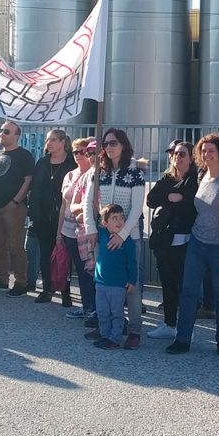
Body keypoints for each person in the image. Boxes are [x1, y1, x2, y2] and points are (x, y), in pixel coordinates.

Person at [167, 133, 219, 356]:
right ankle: (183, 339)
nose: (207, 154)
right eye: (203, 150)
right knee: (189, 291)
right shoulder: (202, 176)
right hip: (198, 241)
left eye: (211, 150)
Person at [81, 128, 147, 349]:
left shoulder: (135, 172)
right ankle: (105, 326)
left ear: (123, 145)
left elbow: (138, 207)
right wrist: (90, 227)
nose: (109, 147)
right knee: (103, 281)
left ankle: (134, 331)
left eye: (114, 143)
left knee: (131, 284)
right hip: (102, 236)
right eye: (106, 143)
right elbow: (87, 200)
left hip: (129, 237)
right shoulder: (97, 171)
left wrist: (122, 234)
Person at [145, 140, 198, 340]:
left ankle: (186, 329)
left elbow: (191, 206)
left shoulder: (196, 179)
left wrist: (180, 199)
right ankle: (169, 323)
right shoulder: (166, 178)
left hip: (187, 241)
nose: (177, 157)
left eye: (182, 154)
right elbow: (151, 199)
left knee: (186, 287)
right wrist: (169, 196)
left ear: (192, 158)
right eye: (175, 153)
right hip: (165, 239)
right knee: (167, 284)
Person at [29, 129, 77, 305]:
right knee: (45, 254)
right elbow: (35, 190)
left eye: (53, 140)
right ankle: (47, 289)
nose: (49, 143)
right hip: (43, 216)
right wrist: (33, 213)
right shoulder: (42, 162)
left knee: (65, 254)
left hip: (65, 216)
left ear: (63, 142)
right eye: (48, 140)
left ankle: (65, 292)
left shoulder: (72, 162)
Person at [0, 120, 34, 294]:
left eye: (6, 131)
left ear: (17, 135)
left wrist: (15, 202)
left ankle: (21, 283)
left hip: (14, 208)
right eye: (0, 130)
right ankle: (2, 279)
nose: (1, 134)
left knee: (16, 246)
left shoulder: (24, 155)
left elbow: (28, 180)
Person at [86, 203, 136, 350]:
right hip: (101, 282)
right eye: (114, 218)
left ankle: (115, 338)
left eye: (122, 217)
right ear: (105, 223)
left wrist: (132, 280)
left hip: (118, 285)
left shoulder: (127, 242)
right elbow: (93, 220)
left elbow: (132, 263)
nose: (119, 221)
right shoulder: (102, 234)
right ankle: (105, 335)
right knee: (102, 312)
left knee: (116, 313)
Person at [60, 138, 98, 320]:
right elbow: (66, 205)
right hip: (69, 229)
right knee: (80, 270)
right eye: (75, 152)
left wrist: (84, 211)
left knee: (90, 269)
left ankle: (96, 308)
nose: (79, 155)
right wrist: (58, 231)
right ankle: (86, 306)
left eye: (84, 152)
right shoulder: (70, 175)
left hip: (88, 229)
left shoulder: (95, 174)